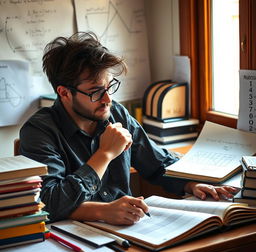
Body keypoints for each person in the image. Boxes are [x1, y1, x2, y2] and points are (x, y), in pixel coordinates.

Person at [19, 32, 237, 224]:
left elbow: (156, 163)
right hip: (71, 241)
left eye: (110, 87)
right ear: (65, 93)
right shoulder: (38, 132)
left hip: (128, 230)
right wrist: (104, 156)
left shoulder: (116, 114)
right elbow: (49, 201)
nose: (107, 99)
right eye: (95, 91)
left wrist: (191, 184)